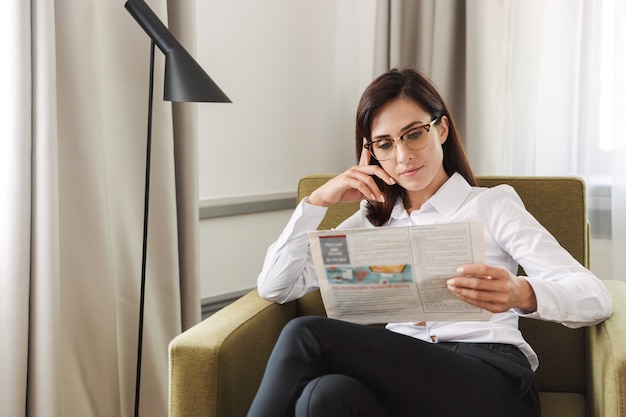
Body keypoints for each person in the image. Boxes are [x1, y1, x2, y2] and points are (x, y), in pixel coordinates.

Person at [247, 68, 612, 417]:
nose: (403, 156)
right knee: (323, 396)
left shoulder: (491, 205)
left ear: (441, 130)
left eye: (414, 134)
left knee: (305, 334)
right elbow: (276, 286)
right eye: (384, 144)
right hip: (405, 383)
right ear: (371, 153)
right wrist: (316, 204)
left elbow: (594, 296)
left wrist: (522, 293)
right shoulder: (372, 221)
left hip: (490, 382)